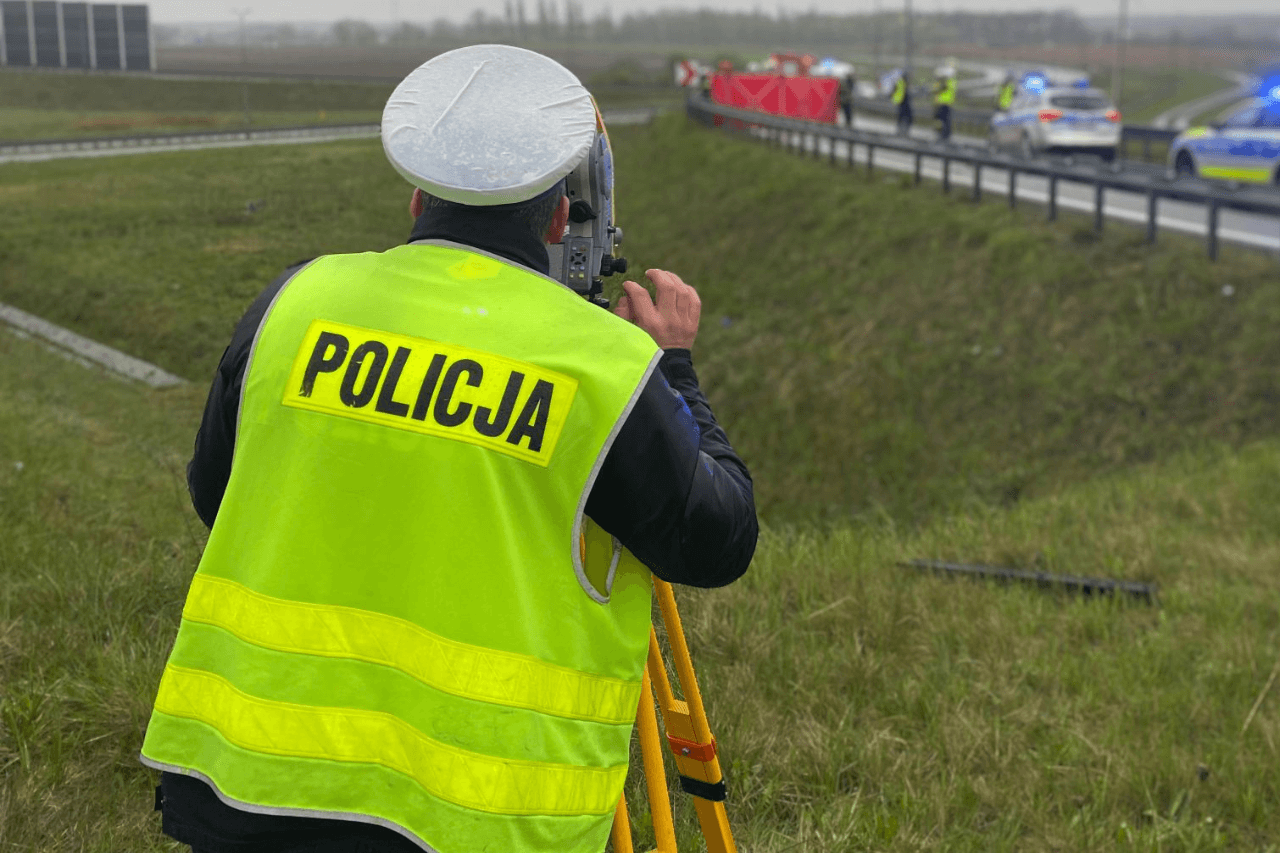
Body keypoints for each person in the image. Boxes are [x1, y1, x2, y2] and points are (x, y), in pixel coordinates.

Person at [140, 44, 758, 853]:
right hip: (477, 819)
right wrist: (673, 365)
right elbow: (717, 539)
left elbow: (217, 495)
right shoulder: (597, 364)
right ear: (559, 219)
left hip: (243, 782)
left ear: (416, 201)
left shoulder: (294, 301)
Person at [933, 67, 957, 142]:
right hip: (944, 104)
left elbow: (936, 89)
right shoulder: (950, 82)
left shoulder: (945, 82)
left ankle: (942, 135)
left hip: (942, 104)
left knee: (941, 120)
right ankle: (944, 135)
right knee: (944, 121)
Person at [892, 71, 913, 135]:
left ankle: (901, 130)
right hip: (902, 101)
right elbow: (903, 93)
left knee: (902, 117)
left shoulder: (900, 82)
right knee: (907, 116)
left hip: (900, 101)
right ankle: (902, 131)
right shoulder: (902, 83)